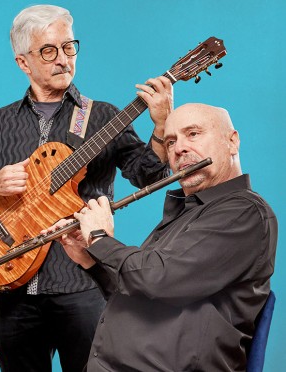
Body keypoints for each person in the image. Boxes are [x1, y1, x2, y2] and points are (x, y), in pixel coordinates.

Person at [0, 4, 174, 371]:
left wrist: (161, 126)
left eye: (68, 47)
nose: (63, 59)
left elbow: (150, 175)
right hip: (12, 291)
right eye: (49, 51)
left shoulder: (102, 116)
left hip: (82, 286)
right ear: (23, 62)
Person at [58, 103, 277, 371]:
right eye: (171, 141)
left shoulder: (243, 211)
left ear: (232, 142)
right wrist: (90, 259)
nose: (179, 148)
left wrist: (99, 238)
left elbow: (157, 280)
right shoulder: (186, 213)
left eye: (193, 134)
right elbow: (140, 291)